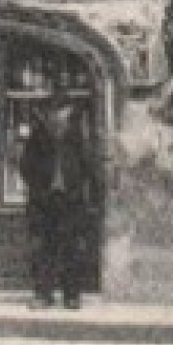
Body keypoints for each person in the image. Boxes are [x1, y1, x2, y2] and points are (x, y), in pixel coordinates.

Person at [18, 98, 102, 310]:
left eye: (63, 115)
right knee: (43, 249)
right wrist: (38, 186)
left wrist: (91, 196)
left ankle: (71, 295)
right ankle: (43, 294)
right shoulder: (38, 138)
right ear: (48, 117)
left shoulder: (76, 139)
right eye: (55, 115)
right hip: (43, 202)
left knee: (72, 249)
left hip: (71, 201)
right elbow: (25, 165)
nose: (59, 120)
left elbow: (89, 166)